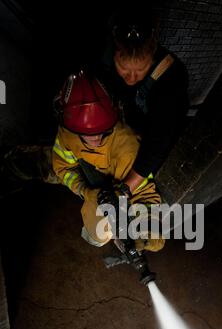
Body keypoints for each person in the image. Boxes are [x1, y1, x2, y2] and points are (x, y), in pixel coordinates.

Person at [52, 71, 164, 252]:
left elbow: (144, 193)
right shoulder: (67, 135)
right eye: (88, 133)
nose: (96, 137)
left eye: (102, 130)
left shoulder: (126, 146)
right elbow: (62, 167)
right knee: (33, 163)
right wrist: (83, 190)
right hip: (87, 175)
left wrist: (149, 226)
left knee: (97, 235)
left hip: (117, 188)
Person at [95, 6, 189, 194]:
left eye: (140, 71)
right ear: (114, 54)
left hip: (159, 138)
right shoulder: (103, 59)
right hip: (130, 124)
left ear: (152, 58)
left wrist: (124, 190)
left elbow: (158, 140)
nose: (130, 78)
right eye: (123, 68)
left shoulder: (172, 79)